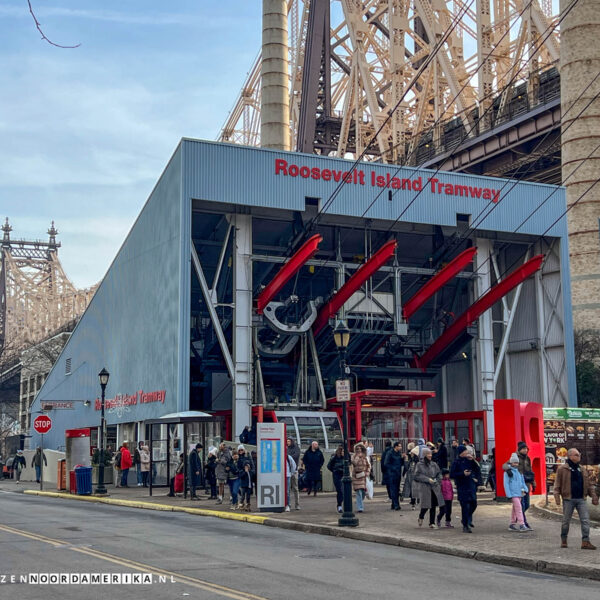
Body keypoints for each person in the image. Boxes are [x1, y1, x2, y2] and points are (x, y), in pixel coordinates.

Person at [554, 447, 599, 549]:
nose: (579, 457)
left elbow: (589, 484)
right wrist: (557, 497)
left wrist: (594, 496)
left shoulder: (582, 469)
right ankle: (564, 539)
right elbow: (557, 484)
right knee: (566, 521)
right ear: (570, 456)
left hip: (581, 499)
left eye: (579, 455)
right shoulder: (562, 469)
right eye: (577, 455)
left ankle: (585, 541)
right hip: (568, 499)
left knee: (585, 520)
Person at [502, 441, 535, 530]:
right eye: (524, 449)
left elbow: (530, 471)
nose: (525, 450)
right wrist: (508, 470)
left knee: (525, 505)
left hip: (525, 485)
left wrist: (533, 483)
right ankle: (523, 523)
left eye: (526, 449)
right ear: (520, 449)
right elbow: (504, 465)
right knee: (520, 506)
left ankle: (513, 523)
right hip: (515, 488)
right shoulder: (515, 458)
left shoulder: (528, 459)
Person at [451, 445, 481, 533]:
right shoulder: (456, 462)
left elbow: (477, 469)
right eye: (464, 451)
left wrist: (473, 460)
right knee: (465, 506)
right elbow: (452, 474)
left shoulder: (469, 460)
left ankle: (467, 518)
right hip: (462, 486)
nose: (466, 452)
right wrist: (462, 473)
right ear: (460, 453)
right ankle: (465, 525)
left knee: (474, 504)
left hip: (471, 485)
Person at [414, 447, 445, 528]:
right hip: (425, 488)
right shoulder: (419, 465)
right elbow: (416, 476)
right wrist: (427, 479)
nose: (430, 456)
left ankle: (432, 523)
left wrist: (438, 480)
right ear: (424, 455)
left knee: (433, 505)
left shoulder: (434, 464)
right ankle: (421, 516)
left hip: (434, 487)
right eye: (428, 454)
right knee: (426, 505)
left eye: (431, 454)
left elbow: (439, 473)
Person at [504, 453, 529, 532]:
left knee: (515, 509)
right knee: (519, 508)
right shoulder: (507, 473)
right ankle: (522, 524)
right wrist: (509, 494)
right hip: (513, 493)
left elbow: (522, 482)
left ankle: (512, 524)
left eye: (517, 462)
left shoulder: (518, 472)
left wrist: (525, 489)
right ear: (511, 462)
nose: (516, 464)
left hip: (519, 493)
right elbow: (506, 484)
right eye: (514, 462)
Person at [384, 441, 405, 511]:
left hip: (398, 474)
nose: (400, 447)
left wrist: (402, 458)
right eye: (399, 446)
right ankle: (396, 505)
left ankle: (393, 504)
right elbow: (386, 463)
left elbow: (401, 463)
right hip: (392, 474)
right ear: (396, 446)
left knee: (397, 489)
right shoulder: (390, 453)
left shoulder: (399, 453)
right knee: (393, 490)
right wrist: (393, 468)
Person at [351, 442, 370, 513]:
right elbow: (354, 463)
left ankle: (359, 502)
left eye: (360, 448)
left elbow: (368, 465)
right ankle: (360, 508)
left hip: (363, 476)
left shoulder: (365, 457)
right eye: (357, 449)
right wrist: (357, 457)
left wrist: (367, 472)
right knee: (358, 492)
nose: (359, 450)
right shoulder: (353, 456)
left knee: (363, 492)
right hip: (356, 476)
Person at [327, 445, 345, 513]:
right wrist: (334, 470)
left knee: (344, 491)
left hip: (344, 475)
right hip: (337, 476)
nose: (344, 452)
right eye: (343, 451)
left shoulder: (346, 458)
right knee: (340, 491)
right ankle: (339, 505)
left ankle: (343, 505)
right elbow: (329, 466)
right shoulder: (334, 458)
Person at [403, 444, 419, 509]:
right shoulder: (410, 460)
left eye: (412, 453)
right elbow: (406, 467)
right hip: (410, 477)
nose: (411, 454)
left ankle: (413, 503)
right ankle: (413, 502)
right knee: (411, 490)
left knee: (414, 490)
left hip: (414, 477)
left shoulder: (416, 461)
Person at [286, 438, 301, 510]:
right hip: (287, 471)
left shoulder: (296, 448)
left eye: (289, 441)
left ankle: (297, 504)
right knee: (287, 489)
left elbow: (296, 456)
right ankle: (288, 504)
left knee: (295, 487)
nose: (287, 442)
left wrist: (289, 456)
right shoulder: (286, 448)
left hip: (294, 470)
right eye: (287, 441)